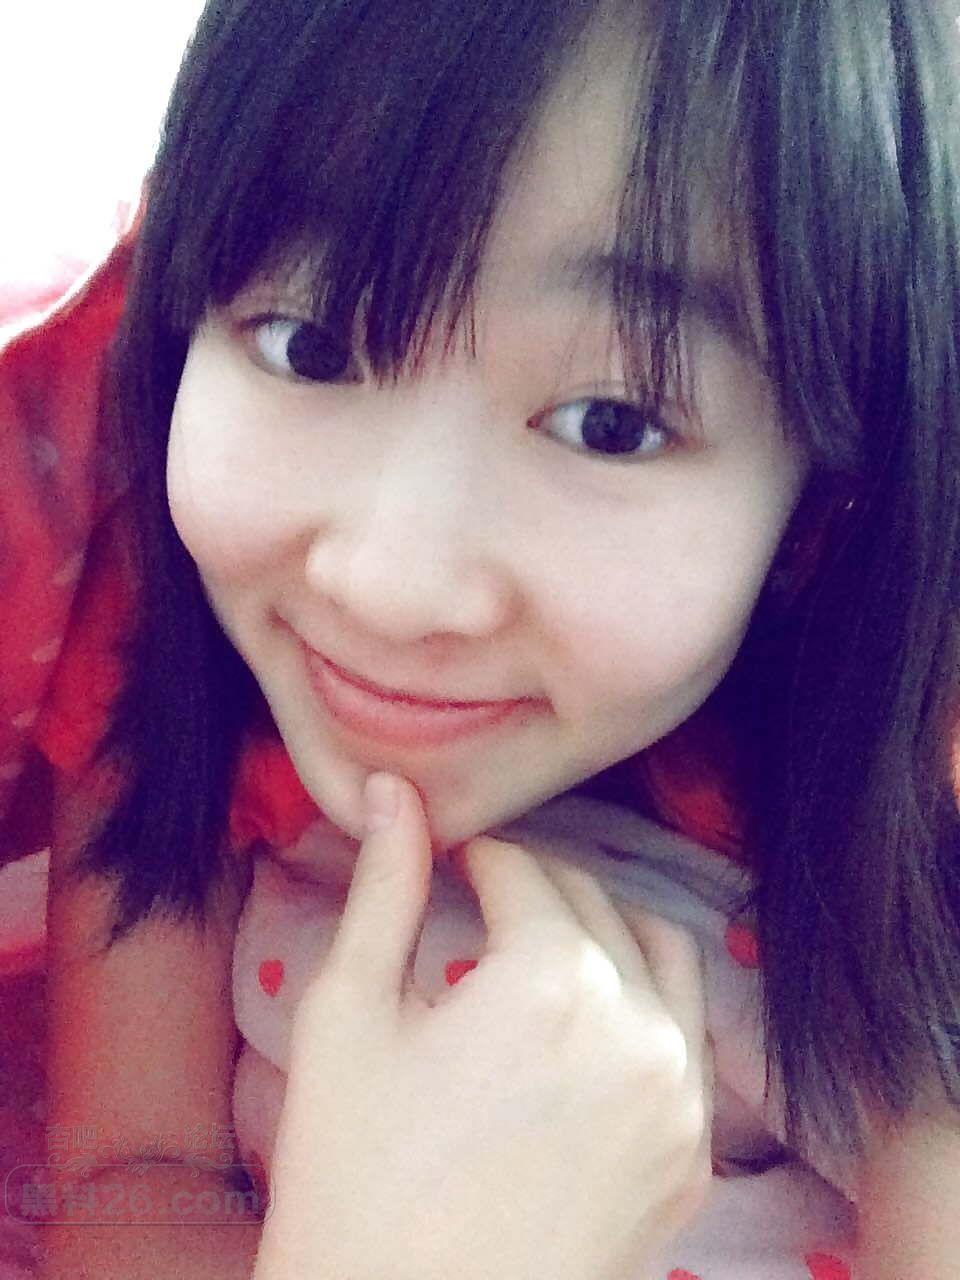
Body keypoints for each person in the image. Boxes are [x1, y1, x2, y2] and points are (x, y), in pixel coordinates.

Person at [1, 0, 958, 1276]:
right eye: (306, 344)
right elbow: (130, 1171)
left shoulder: (899, 776)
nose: (390, 585)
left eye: (612, 422)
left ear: (825, 505)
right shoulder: (176, 654)